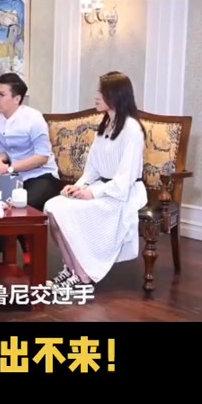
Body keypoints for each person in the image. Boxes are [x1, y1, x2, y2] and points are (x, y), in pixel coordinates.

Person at [44, 71, 148, 290]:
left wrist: (92, 193)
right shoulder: (106, 125)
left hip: (123, 193)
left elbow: (125, 179)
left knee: (63, 212)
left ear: (117, 95)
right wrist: (78, 187)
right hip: (103, 187)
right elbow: (91, 169)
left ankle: (83, 277)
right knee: (52, 207)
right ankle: (70, 269)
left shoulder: (132, 130)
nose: (96, 95)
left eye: (102, 91)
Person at [0, 72, 63, 263]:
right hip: (16, 176)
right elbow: (4, 151)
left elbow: (42, 157)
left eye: (1, 94)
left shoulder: (33, 118)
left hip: (43, 176)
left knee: (19, 207)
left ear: (17, 99)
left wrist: (8, 169)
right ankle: (25, 241)